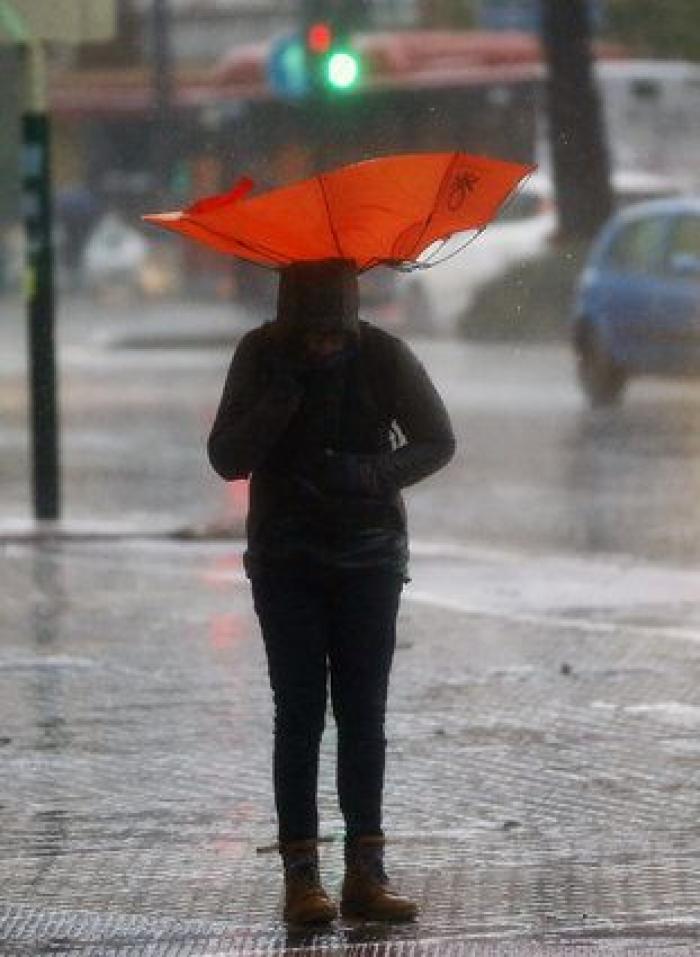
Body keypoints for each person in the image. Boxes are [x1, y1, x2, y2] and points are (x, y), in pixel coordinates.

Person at [207, 258, 455, 924]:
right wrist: (281, 398)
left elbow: (438, 439)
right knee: (299, 714)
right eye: (310, 332)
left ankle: (366, 871)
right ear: (289, 319)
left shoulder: (382, 355)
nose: (323, 344)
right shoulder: (260, 354)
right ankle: (302, 876)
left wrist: (370, 473)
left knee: (363, 713)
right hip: (286, 558)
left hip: (369, 556)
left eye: (334, 332)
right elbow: (227, 455)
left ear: (351, 319)